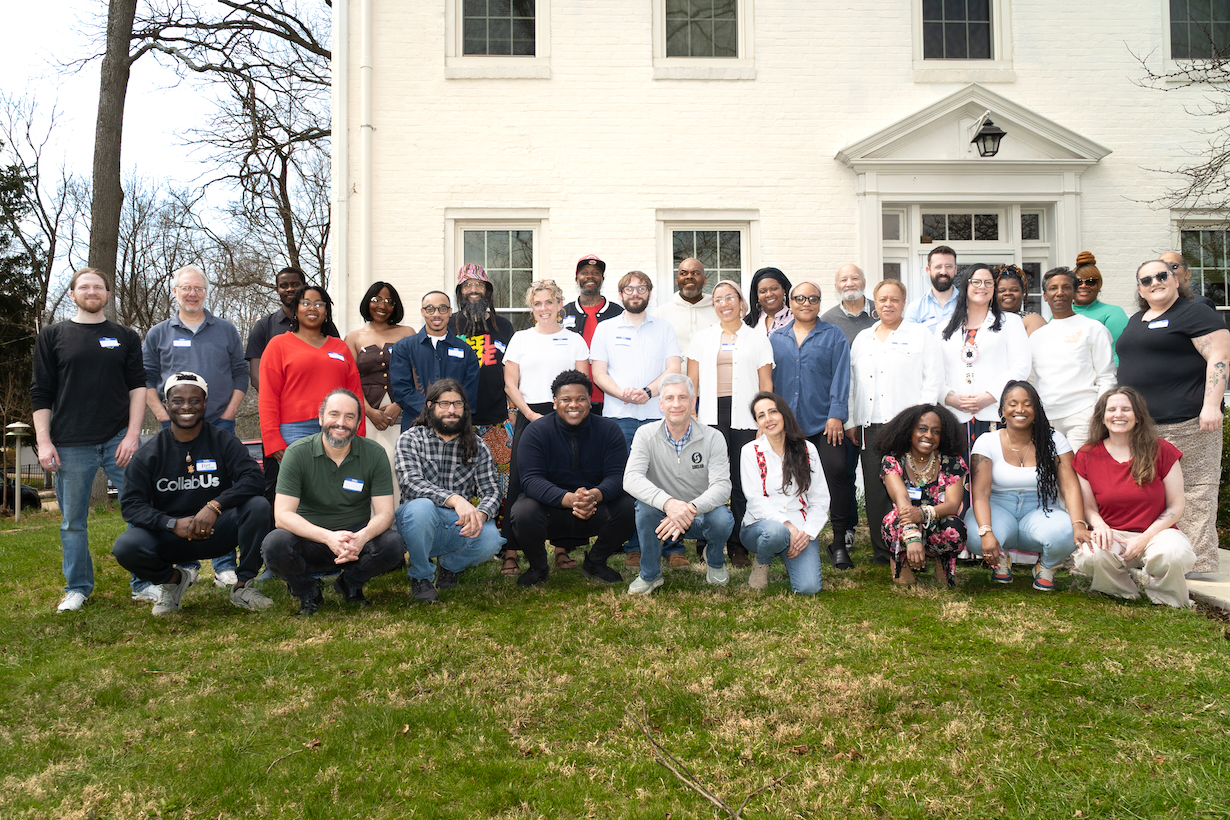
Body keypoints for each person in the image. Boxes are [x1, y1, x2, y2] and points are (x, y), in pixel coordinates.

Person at [32, 267, 148, 611]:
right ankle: (78, 588)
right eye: (85, 286)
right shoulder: (53, 336)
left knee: (139, 513)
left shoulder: (126, 336)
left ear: (108, 295)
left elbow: (138, 388)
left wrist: (132, 435)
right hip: (69, 442)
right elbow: (41, 393)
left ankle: (144, 583)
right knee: (72, 522)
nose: (92, 291)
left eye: (98, 286)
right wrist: (44, 441)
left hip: (118, 440)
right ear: (72, 294)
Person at [112, 372, 274, 615]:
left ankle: (243, 586)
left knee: (258, 506)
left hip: (218, 530)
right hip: (171, 537)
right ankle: (174, 581)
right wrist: (171, 523)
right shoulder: (150, 453)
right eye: (177, 400)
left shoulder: (223, 440)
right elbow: (132, 506)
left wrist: (215, 506)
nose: (186, 406)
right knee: (126, 546)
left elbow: (253, 478)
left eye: (194, 400)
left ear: (204, 403)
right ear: (167, 405)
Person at [1116, 258, 1230, 575]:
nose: (1155, 282)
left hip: (1188, 422)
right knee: (1147, 493)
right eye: (1146, 279)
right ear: (1140, 288)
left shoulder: (1195, 313)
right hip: (1143, 427)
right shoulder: (1137, 319)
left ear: (1176, 279)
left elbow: (1219, 356)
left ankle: (1196, 564)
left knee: (1195, 491)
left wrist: (1211, 405)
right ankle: (1149, 555)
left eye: (1162, 275)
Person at [141, 265, 250, 587]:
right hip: (174, 428)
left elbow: (240, 373)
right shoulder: (159, 333)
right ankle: (185, 564)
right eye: (186, 288)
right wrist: (162, 414)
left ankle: (224, 564)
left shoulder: (226, 330)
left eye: (198, 288)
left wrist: (229, 413)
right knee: (179, 492)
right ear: (175, 292)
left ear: (206, 292)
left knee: (222, 489)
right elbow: (146, 378)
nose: (192, 294)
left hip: (219, 423)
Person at [261, 389, 405, 615]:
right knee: (274, 545)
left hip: (354, 543)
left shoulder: (374, 454)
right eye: (334, 415)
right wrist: (328, 537)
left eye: (349, 417)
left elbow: (385, 512)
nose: (341, 423)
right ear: (320, 418)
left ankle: (350, 583)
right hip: (310, 539)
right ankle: (308, 592)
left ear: (358, 423)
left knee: (393, 544)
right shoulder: (297, 454)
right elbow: (282, 516)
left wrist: (361, 538)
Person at [505, 370, 635, 588]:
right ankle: (538, 567)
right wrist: (569, 499)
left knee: (630, 506)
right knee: (522, 511)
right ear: (555, 402)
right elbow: (531, 480)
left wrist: (594, 495)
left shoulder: (609, 430)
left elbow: (617, 476)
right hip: (549, 510)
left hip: (593, 507)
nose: (573, 404)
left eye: (580, 399)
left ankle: (595, 562)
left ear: (590, 401)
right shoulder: (536, 431)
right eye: (566, 399)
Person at [847, 279, 944, 565]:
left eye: (894, 299)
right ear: (874, 304)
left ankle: (918, 546)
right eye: (882, 299)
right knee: (876, 491)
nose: (888, 304)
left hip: (908, 426)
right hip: (871, 424)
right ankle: (884, 550)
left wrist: (923, 422)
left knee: (913, 488)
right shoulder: (863, 338)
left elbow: (933, 378)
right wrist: (852, 420)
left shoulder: (920, 335)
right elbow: (853, 383)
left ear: (904, 303)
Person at [589, 270, 682, 568]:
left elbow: (673, 368)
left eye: (641, 288)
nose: (635, 293)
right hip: (620, 417)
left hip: (658, 415)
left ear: (649, 293)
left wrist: (648, 391)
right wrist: (623, 394)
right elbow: (599, 373)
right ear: (621, 295)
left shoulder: (664, 328)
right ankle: (634, 545)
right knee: (630, 482)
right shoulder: (605, 329)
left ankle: (673, 546)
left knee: (666, 477)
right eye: (629, 289)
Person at [1072, 387, 1196, 608]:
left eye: (1126, 409)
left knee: (1174, 553)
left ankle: (1167, 598)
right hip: (1114, 533)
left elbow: (1176, 506)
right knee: (1091, 555)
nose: (1118, 414)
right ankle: (1120, 592)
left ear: (1138, 417)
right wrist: (1100, 526)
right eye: (1112, 409)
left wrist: (1143, 539)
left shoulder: (1162, 450)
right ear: (1102, 417)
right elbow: (1089, 507)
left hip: (1157, 533)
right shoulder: (1087, 455)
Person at [500, 280, 591, 574]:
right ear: (532, 308)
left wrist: (564, 412)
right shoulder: (521, 339)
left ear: (559, 305)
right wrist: (527, 413)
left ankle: (562, 549)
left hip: (567, 415)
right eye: (537, 304)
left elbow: (581, 384)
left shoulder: (575, 340)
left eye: (549, 302)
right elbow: (510, 384)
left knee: (564, 479)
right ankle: (511, 551)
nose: (544, 309)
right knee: (519, 480)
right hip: (531, 415)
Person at [964, 381, 1087, 590]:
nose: (1020, 409)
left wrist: (1078, 524)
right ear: (1002, 410)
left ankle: (1046, 567)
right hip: (998, 508)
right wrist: (986, 532)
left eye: (1027, 404)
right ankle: (1001, 560)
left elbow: (1070, 486)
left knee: (1067, 532)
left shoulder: (1055, 440)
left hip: (1041, 509)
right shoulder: (987, 441)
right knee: (974, 534)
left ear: (1037, 410)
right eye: (1013, 404)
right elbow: (980, 493)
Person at [394, 379, 505, 603]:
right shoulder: (410, 439)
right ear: (430, 406)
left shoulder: (477, 445)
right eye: (444, 404)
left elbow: (492, 491)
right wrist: (454, 499)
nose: (451, 410)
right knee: (422, 508)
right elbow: (411, 482)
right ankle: (421, 576)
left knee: (493, 538)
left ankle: (450, 565)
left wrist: (481, 514)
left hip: (458, 523)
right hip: (417, 520)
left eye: (457, 404)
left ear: (465, 408)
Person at [688, 280, 774, 568]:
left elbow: (765, 384)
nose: (724, 304)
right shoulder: (702, 338)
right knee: (707, 481)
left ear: (741, 303)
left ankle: (738, 545)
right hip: (711, 416)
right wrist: (692, 413)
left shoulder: (758, 338)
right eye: (718, 299)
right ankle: (705, 542)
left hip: (745, 417)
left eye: (729, 298)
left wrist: (764, 417)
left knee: (740, 482)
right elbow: (693, 382)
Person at [770, 280, 855, 570]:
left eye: (813, 298)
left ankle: (840, 541)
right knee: (785, 481)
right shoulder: (775, 339)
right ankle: (787, 537)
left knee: (837, 472)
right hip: (787, 427)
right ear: (790, 302)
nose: (806, 303)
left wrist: (836, 415)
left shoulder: (834, 336)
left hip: (824, 424)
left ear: (820, 303)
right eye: (800, 298)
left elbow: (842, 378)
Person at [623, 374, 733, 594]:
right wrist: (668, 504)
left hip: (699, 514)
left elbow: (722, 486)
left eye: (683, 397)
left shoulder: (714, 437)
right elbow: (631, 478)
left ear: (693, 402)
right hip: (661, 515)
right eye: (670, 398)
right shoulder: (645, 434)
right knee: (644, 509)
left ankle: (715, 562)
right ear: (661, 404)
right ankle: (650, 575)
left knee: (722, 518)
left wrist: (690, 508)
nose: (676, 404)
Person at [259, 284, 365, 464]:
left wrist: (359, 433)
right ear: (296, 310)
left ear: (326, 312)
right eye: (306, 303)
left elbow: (355, 394)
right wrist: (272, 440)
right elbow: (268, 396)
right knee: (300, 490)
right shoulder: (278, 345)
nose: (312, 308)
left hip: (338, 427)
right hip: (294, 430)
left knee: (335, 487)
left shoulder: (340, 347)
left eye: (319, 304)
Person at [740, 392, 828, 595]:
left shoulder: (808, 449)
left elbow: (820, 498)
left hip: (800, 528)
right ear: (757, 423)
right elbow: (754, 499)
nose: (768, 419)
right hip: (760, 527)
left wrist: (807, 533)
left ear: (784, 414)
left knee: (809, 588)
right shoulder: (750, 451)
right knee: (776, 532)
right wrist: (787, 526)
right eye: (761, 415)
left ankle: (789, 553)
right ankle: (762, 561)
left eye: (773, 412)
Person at [937, 265, 1031, 452]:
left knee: (991, 476)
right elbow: (933, 370)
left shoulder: (1010, 322)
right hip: (955, 415)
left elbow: (1021, 366)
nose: (983, 287)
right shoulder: (943, 327)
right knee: (957, 476)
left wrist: (990, 396)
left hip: (994, 413)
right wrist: (948, 398)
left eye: (988, 283)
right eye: (977, 282)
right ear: (965, 286)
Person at [875, 404, 968, 586]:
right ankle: (901, 563)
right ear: (909, 431)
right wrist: (912, 534)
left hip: (935, 520)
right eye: (922, 429)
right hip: (905, 519)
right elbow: (901, 498)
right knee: (892, 521)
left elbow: (952, 505)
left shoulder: (952, 461)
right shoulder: (893, 460)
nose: (929, 436)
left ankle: (943, 564)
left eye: (936, 431)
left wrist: (924, 514)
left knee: (955, 526)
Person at [449, 263, 516, 508]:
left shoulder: (504, 326)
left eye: (479, 284)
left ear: (488, 291)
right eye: (467, 285)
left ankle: (499, 538)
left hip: (496, 418)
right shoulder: (449, 324)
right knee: (459, 481)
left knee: (501, 481)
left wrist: (513, 410)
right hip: (456, 419)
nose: (473, 289)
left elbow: (513, 371)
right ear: (460, 292)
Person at [1027, 267, 1116, 449]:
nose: (1059, 293)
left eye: (1066, 287)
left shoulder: (1093, 328)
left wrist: (1097, 414)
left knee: (1079, 474)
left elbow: (1106, 377)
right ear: (1045, 295)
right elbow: (1032, 379)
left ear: (1074, 292)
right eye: (1053, 288)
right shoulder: (1036, 336)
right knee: (1052, 475)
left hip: (1083, 415)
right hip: (1046, 417)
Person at [821, 263, 877, 547]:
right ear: (836, 285)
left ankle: (886, 526)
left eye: (855, 277)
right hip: (843, 406)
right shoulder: (827, 319)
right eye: (843, 279)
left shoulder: (880, 314)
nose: (849, 282)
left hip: (878, 406)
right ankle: (849, 526)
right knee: (843, 469)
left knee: (878, 471)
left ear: (864, 281)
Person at [245, 265, 310, 502]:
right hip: (278, 419)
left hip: (316, 419)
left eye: (295, 284)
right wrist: (284, 404)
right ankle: (276, 536)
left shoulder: (322, 324)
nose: (290, 289)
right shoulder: (265, 327)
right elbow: (256, 377)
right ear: (277, 289)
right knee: (276, 485)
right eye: (284, 285)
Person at [344, 280, 416, 487]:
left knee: (399, 467)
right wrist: (369, 412)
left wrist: (399, 404)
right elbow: (350, 380)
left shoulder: (408, 333)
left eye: (389, 301)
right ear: (368, 302)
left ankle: (399, 517)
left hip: (402, 413)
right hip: (365, 415)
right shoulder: (353, 337)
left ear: (395, 306)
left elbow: (417, 374)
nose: (382, 305)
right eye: (376, 299)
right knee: (367, 468)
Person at [389, 291, 479, 431]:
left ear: (450, 312)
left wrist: (449, 411)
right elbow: (402, 390)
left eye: (442, 309)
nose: (436, 314)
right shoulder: (403, 348)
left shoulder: (466, 351)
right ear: (422, 312)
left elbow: (470, 394)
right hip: (415, 427)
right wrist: (434, 411)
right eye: (430, 309)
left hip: (454, 428)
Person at [562, 254, 623, 416]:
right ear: (576, 278)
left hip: (611, 397)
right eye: (584, 272)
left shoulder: (618, 313)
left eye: (595, 272)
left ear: (602, 278)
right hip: (574, 398)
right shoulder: (564, 313)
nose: (590, 276)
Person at [656, 257, 716, 360]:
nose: (689, 277)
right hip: (674, 374)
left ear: (704, 280)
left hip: (711, 374)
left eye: (695, 273)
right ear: (677, 280)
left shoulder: (717, 311)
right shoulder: (661, 314)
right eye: (684, 273)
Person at [1071, 251, 1129, 358]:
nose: (1083, 286)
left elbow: (1119, 352)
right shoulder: (1060, 313)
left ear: (1099, 286)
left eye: (1091, 281)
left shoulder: (1113, 313)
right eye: (1078, 282)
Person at [904, 245, 959, 332]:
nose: (943, 271)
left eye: (949, 266)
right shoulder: (915, 308)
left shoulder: (968, 304)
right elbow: (911, 342)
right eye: (938, 266)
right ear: (928, 270)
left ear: (955, 270)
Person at [994, 265, 1046, 335]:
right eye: (1001, 291)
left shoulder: (1031, 319)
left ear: (1023, 293)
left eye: (1014, 290)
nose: (1008, 293)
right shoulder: (986, 319)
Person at [744, 267, 793, 335]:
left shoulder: (795, 319)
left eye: (774, 289)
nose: (769, 294)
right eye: (763, 291)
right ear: (757, 295)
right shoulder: (748, 323)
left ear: (783, 290)